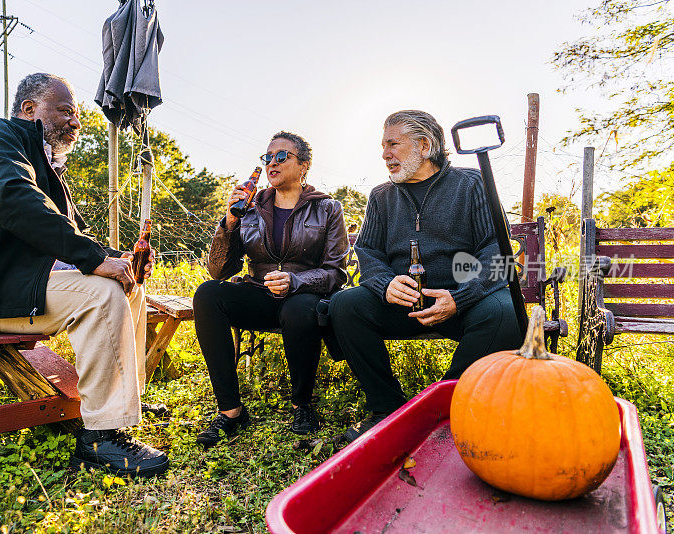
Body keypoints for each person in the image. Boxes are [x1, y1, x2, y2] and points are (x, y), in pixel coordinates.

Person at [0, 73, 168, 477]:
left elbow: (60, 238)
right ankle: (101, 439)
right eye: (66, 111)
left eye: (77, 115)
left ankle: (123, 402)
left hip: (15, 284)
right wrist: (92, 258)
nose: (76, 122)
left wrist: (117, 258)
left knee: (128, 285)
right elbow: (14, 199)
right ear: (29, 109)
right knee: (101, 295)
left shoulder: (49, 169)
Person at [329, 110, 522, 442]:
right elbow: (369, 252)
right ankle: (386, 409)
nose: (385, 154)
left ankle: (441, 408)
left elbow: (496, 251)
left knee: (507, 313)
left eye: (393, 144)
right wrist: (384, 283)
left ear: (423, 145)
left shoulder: (471, 184)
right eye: (382, 146)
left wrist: (460, 298)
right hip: (405, 304)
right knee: (345, 304)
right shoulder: (380, 196)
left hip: (464, 303)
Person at [193, 131, 349, 448]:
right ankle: (231, 410)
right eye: (268, 157)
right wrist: (228, 225)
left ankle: (302, 405)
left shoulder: (327, 208)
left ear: (303, 165)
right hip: (260, 292)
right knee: (208, 293)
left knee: (298, 308)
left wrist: (296, 281)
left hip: (306, 295)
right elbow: (220, 270)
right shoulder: (250, 208)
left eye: (281, 156)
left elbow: (336, 272)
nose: (272, 163)